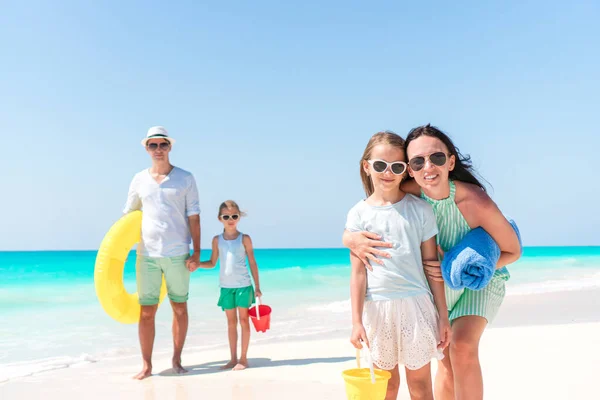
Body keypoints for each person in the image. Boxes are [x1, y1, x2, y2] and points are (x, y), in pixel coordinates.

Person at [343, 124, 522, 400]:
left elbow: (513, 250)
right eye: (417, 161)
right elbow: (375, 212)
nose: (428, 166)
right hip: (437, 285)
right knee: (446, 363)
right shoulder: (412, 194)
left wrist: (459, 269)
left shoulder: (474, 200)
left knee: (461, 347)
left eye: (437, 158)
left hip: (479, 281)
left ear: (450, 161)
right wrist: (350, 239)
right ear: (410, 169)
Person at [346, 131, 451, 400]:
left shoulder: (420, 210)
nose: (388, 173)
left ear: (405, 170)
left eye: (396, 166)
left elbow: (432, 267)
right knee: (385, 389)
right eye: (380, 165)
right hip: (377, 309)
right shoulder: (359, 214)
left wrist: (443, 316)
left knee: (420, 388)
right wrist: (356, 321)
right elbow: (358, 274)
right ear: (366, 166)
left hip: (416, 306)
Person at [123, 126, 201, 380]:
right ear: (146, 149)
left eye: (163, 145)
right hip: (146, 255)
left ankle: (177, 359)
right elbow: (129, 216)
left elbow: (194, 216)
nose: (158, 150)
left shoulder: (186, 178)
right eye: (153, 145)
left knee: (179, 307)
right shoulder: (138, 179)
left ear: (170, 147)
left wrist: (197, 251)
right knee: (147, 311)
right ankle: (147, 365)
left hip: (178, 252)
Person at [193, 200, 262, 371]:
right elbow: (212, 262)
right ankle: (232, 359)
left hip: (243, 285)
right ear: (220, 219)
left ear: (239, 217)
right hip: (226, 287)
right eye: (226, 216)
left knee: (244, 320)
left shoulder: (244, 238)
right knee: (231, 323)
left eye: (234, 216)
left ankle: (243, 358)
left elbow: (252, 263)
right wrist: (198, 264)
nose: (230, 219)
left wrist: (257, 286)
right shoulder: (217, 240)